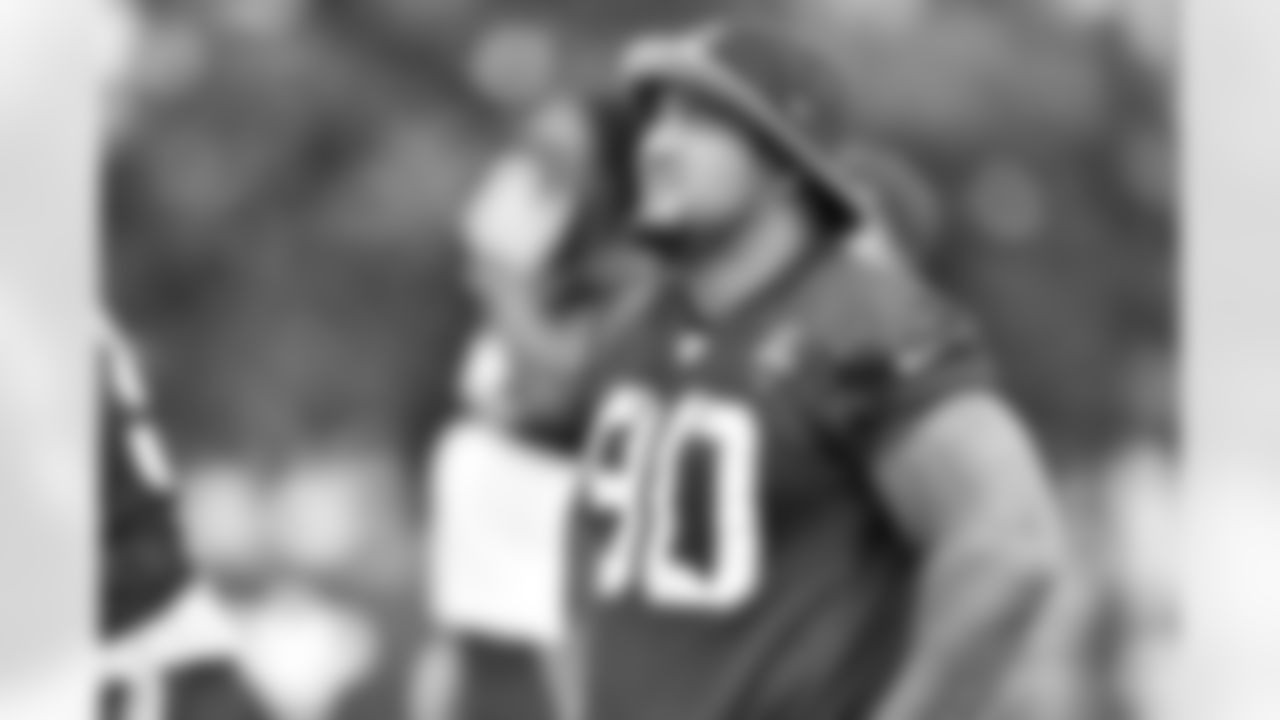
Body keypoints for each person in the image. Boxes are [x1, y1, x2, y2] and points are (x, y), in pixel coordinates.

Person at [545, 22, 1073, 720]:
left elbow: (1009, 549)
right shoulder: (637, 324)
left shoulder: (861, 319)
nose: (657, 145)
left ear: (786, 163)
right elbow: (587, 554)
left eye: (699, 121)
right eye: (657, 118)